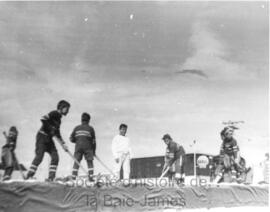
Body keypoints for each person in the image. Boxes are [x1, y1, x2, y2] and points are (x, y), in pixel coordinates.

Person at [26, 100, 70, 181]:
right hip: (42, 137)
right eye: (67, 108)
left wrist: (63, 144)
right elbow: (43, 119)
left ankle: (51, 178)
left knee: (55, 157)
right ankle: (29, 176)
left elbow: (57, 133)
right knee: (39, 157)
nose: (68, 111)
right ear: (62, 107)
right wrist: (50, 128)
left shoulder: (59, 120)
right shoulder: (54, 113)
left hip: (49, 139)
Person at [70, 112, 96, 181]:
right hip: (88, 147)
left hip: (78, 147)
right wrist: (94, 151)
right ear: (88, 120)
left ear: (81, 120)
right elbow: (93, 141)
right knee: (89, 162)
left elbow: (71, 139)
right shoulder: (91, 128)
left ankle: (73, 178)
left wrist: (78, 140)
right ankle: (91, 178)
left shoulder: (76, 128)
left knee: (77, 162)